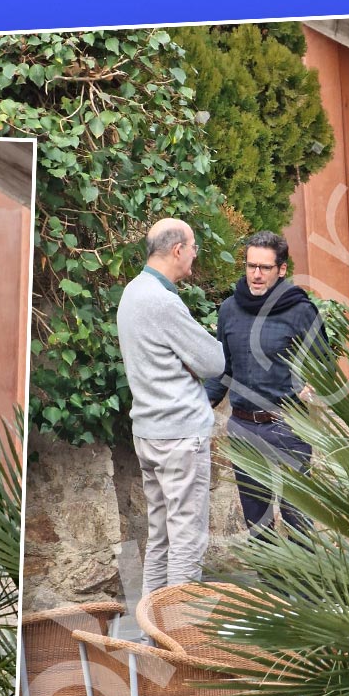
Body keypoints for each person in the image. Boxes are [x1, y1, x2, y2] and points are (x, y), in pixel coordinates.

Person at [116, 217, 226, 595]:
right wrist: (190, 364)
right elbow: (213, 362)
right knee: (187, 542)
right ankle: (177, 640)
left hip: (149, 432)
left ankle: (152, 642)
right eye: (194, 247)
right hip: (179, 437)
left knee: (160, 538)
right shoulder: (162, 301)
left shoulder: (132, 291)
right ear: (178, 249)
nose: (195, 254)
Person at [206, 231, 324, 538]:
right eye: (250, 266)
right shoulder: (229, 310)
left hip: (288, 429)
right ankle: (270, 588)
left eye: (265, 268)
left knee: (298, 522)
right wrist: (198, 406)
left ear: (281, 269)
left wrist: (312, 387)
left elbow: (323, 366)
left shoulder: (300, 311)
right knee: (257, 526)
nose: (256, 274)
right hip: (244, 429)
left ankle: (303, 587)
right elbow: (223, 369)